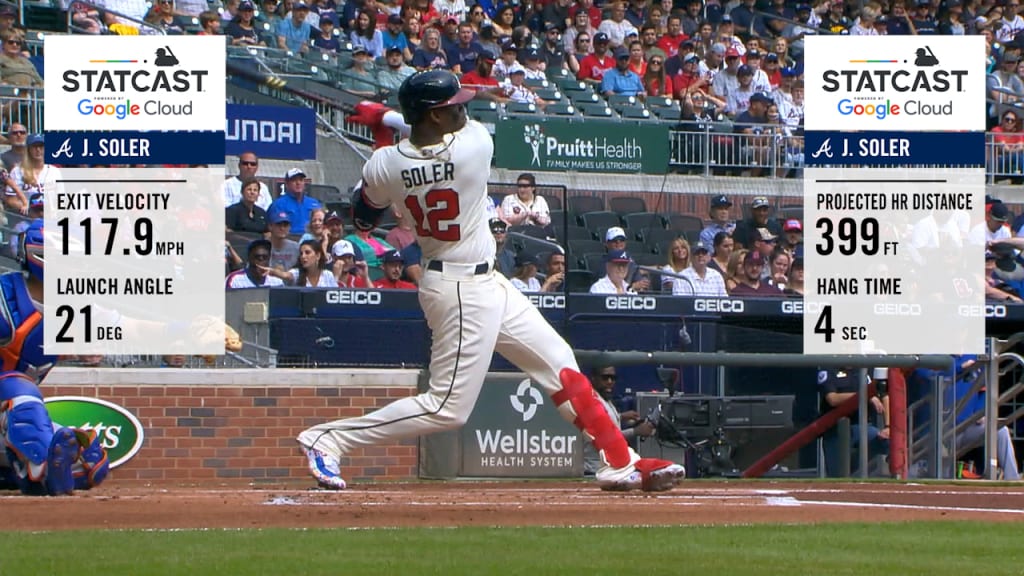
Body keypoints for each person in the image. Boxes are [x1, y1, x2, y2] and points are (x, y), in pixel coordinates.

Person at [296, 70, 684, 492]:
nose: (463, 110)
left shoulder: (386, 163)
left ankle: (619, 460)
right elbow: (427, 137)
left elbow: (365, 215)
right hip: (460, 290)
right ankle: (329, 438)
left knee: (560, 364)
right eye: (452, 107)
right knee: (447, 408)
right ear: (433, 116)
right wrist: (389, 118)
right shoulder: (475, 145)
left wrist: (384, 134)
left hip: (483, 280)